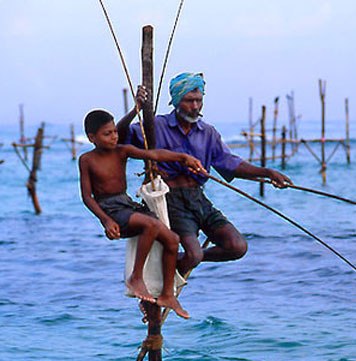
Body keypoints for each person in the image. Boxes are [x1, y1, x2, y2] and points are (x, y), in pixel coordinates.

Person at [117, 72, 293, 277]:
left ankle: (175, 263)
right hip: (171, 199)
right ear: (176, 101)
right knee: (194, 255)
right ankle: (166, 290)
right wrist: (136, 109)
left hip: (197, 198)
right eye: (189, 101)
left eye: (199, 101)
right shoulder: (156, 126)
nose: (195, 106)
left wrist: (268, 173)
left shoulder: (208, 132)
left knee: (237, 246)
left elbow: (231, 164)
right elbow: (119, 137)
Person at [79, 109, 207, 319]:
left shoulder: (121, 151)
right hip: (111, 209)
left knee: (173, 240)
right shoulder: (87, 159)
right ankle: (136, 277)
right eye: (107, 134)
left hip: (126, 204)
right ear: (91, 138)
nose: (113, 137)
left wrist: (183, 157)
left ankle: (168, 294)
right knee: (151, 224)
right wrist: (106, 220)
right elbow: (87, 197)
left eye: (114, 132)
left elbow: (154, 154)